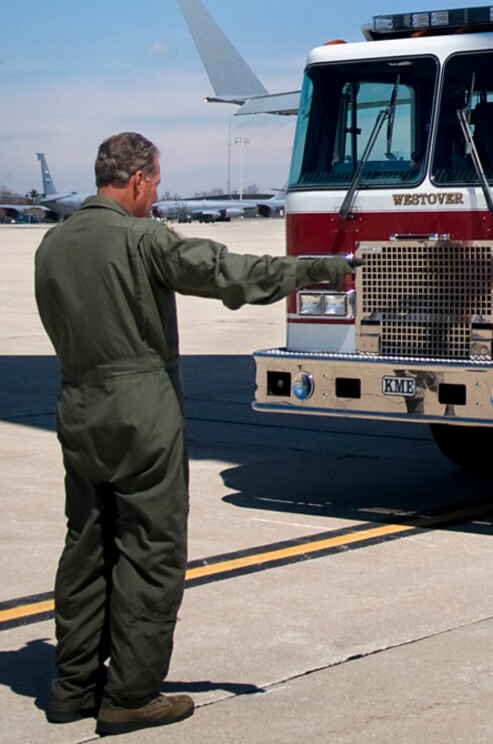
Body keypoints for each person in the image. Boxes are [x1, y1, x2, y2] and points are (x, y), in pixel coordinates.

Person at [34, 132, 349, 734]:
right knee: (150, 550)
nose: (154, 196)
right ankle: (129, 694)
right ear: (137, 181)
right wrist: (321, 270)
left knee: (85, 546)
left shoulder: (53, 243)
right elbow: (227, 273)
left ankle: (71, 686)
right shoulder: (143, 238)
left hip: (77, 404)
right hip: (140, 407)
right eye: (154, 185)